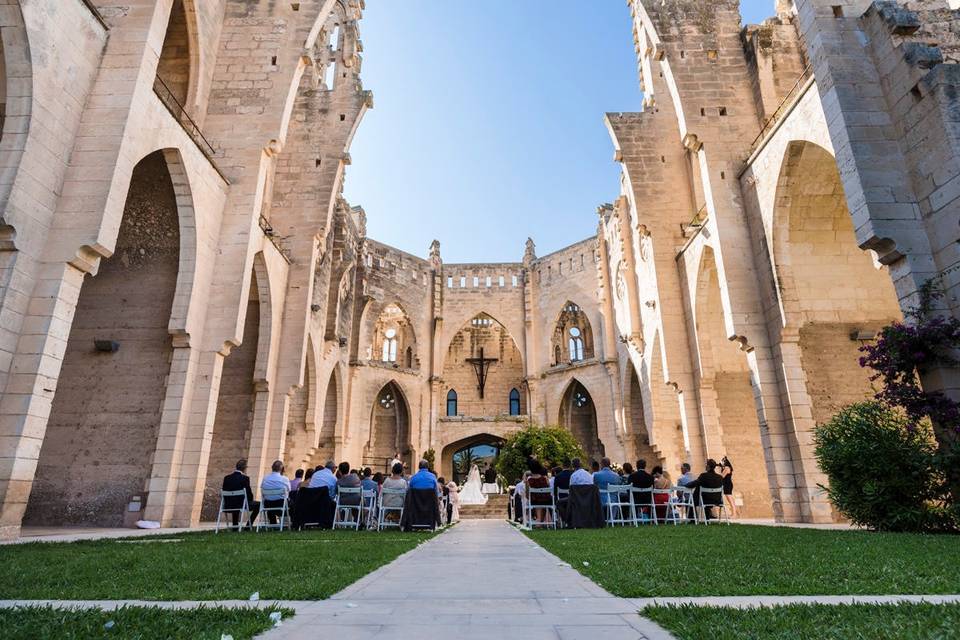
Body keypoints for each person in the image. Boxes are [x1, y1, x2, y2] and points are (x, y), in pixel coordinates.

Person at [221, 459, 260, 529]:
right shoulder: (245, 478)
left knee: (235, 499)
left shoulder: (227, 478)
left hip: (227, 505)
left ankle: (235, 525)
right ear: (245, 468)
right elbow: (248, 493)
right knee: (259, 505)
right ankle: (248, 525)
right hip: (240, 504)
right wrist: (250, 500)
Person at [260, 459, 291, 524]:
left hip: (267, 505)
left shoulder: (265, 478)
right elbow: (289, 490)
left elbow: (262, 489)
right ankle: (293, 523)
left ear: (272, 468)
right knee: (292, 504)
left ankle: (273, 523)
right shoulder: (284, 479)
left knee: (271, 500)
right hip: (281, 504)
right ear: (282, 468)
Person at [526, 459, 552, 524]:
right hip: (547, 500)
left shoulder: (529, 480)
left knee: (537, 500)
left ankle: (539, 521)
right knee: (542, 499)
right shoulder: (545, 478)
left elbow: (527, 494)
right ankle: (543, 520)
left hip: (535, 501)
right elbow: (548, 489)